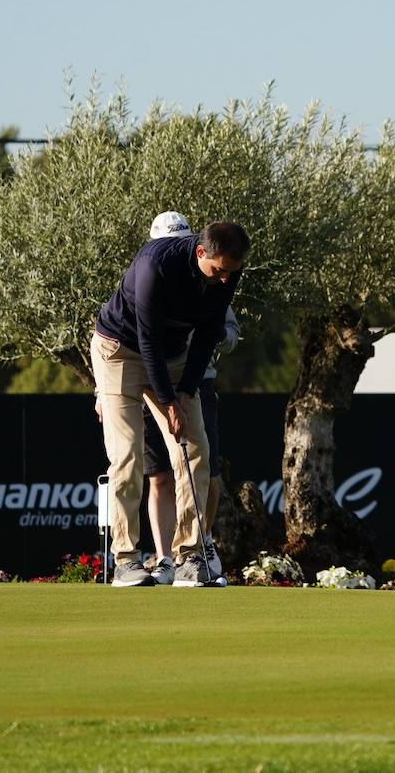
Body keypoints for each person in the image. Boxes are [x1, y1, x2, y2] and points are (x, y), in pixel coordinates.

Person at [91, 220, 249, 587]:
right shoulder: (154, 265)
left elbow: (209, 333)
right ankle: (126, 560)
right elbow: (147, 341)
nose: (225, 280)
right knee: (127, 456)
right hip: (120, 352)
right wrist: (168, 402)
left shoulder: (227, 270)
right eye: (220, 271)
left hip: (176, 358)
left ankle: (191, 555)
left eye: (232, 272)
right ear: (200, 252)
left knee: (196, 451)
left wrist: (186, 391)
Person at [137, 212, 240, 584]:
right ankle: (165, 557)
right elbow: (140, 339)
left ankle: (196, 546)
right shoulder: (153, 273)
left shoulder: (218, 274)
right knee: (159, 476)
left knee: (203, 467)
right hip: (151, 379)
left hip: (194, 381)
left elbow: (225, 329)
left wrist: (186, 386)